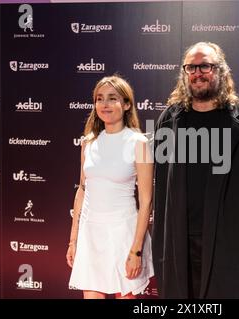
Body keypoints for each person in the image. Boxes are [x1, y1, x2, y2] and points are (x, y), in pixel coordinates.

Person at [152, 42, 239, 298]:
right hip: (179, 241)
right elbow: (162, 185)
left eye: (205, 66)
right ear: (184, 73)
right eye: (191, 67)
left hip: (229, 239)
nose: (197, 73)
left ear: (220, 70)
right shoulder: (168, 119)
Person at [66, 75, 154, 299]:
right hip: (91, 234)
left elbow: (146, 202)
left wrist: (136, 250)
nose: (104, 104)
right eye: (99, 99)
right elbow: (82, 190)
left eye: (112, 98)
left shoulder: (139, 143)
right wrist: (73, 240)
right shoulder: (89, 142)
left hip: (124, 235)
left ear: (126, 105)